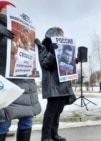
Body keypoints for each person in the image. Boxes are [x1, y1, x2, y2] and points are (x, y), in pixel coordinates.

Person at [0, 2, 41, 141]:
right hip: (7, 85)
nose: (10, 12)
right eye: (7, 9)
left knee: (27, 120)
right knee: (4, 121)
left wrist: (38, 47)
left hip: (26, 84)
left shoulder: (24, 33)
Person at [35, 27, 76, 141]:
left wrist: (73, 61)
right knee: (51, 112)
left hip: (63, 85)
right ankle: (45, 136)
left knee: (58, 112)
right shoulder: (44, 48)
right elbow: (45, 65)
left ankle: (54, 134)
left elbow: (64, 65)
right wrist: (53, 52)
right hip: (53, 85)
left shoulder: (63, 48)